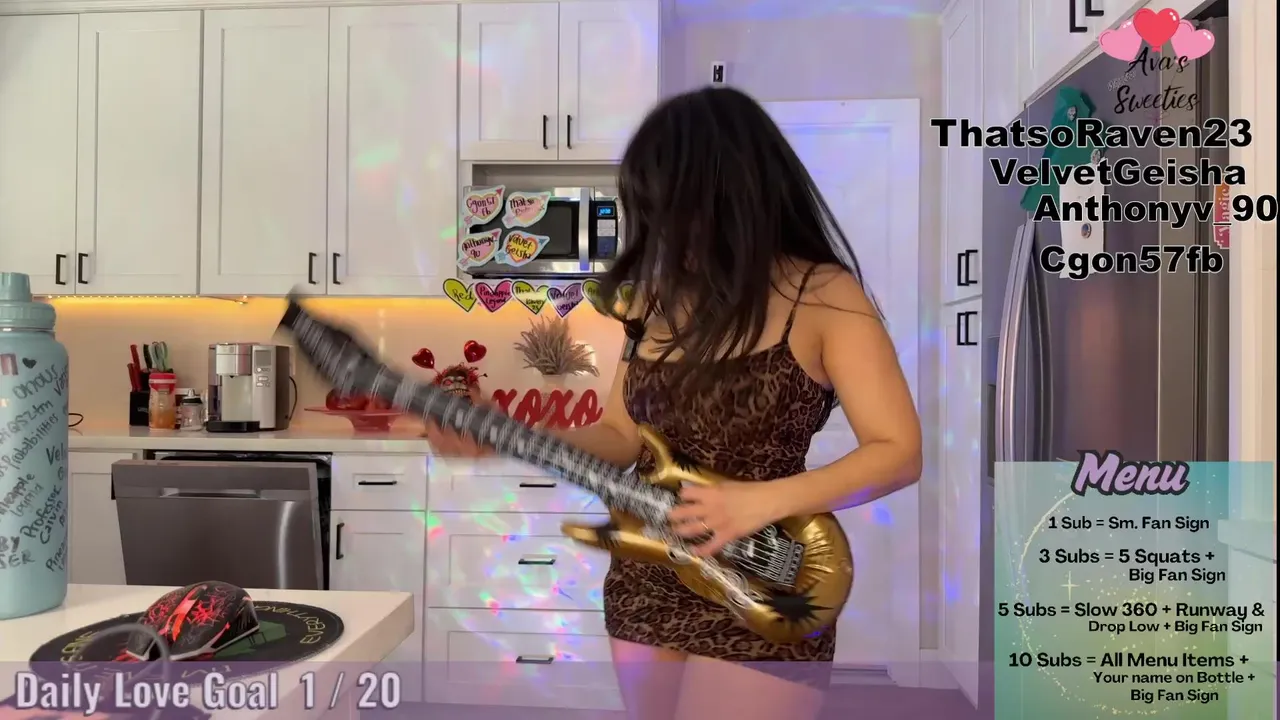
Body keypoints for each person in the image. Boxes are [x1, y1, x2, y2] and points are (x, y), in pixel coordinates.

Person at [425, 86, 922, 720]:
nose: (657, 230)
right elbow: (621, 435)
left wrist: (759, 501)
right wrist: (508, 431)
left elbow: (898, 452)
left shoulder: (823, 295)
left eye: (669, 207)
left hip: (767, 575)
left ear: (729, 195)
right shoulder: (652, 303)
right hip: (648, 576)